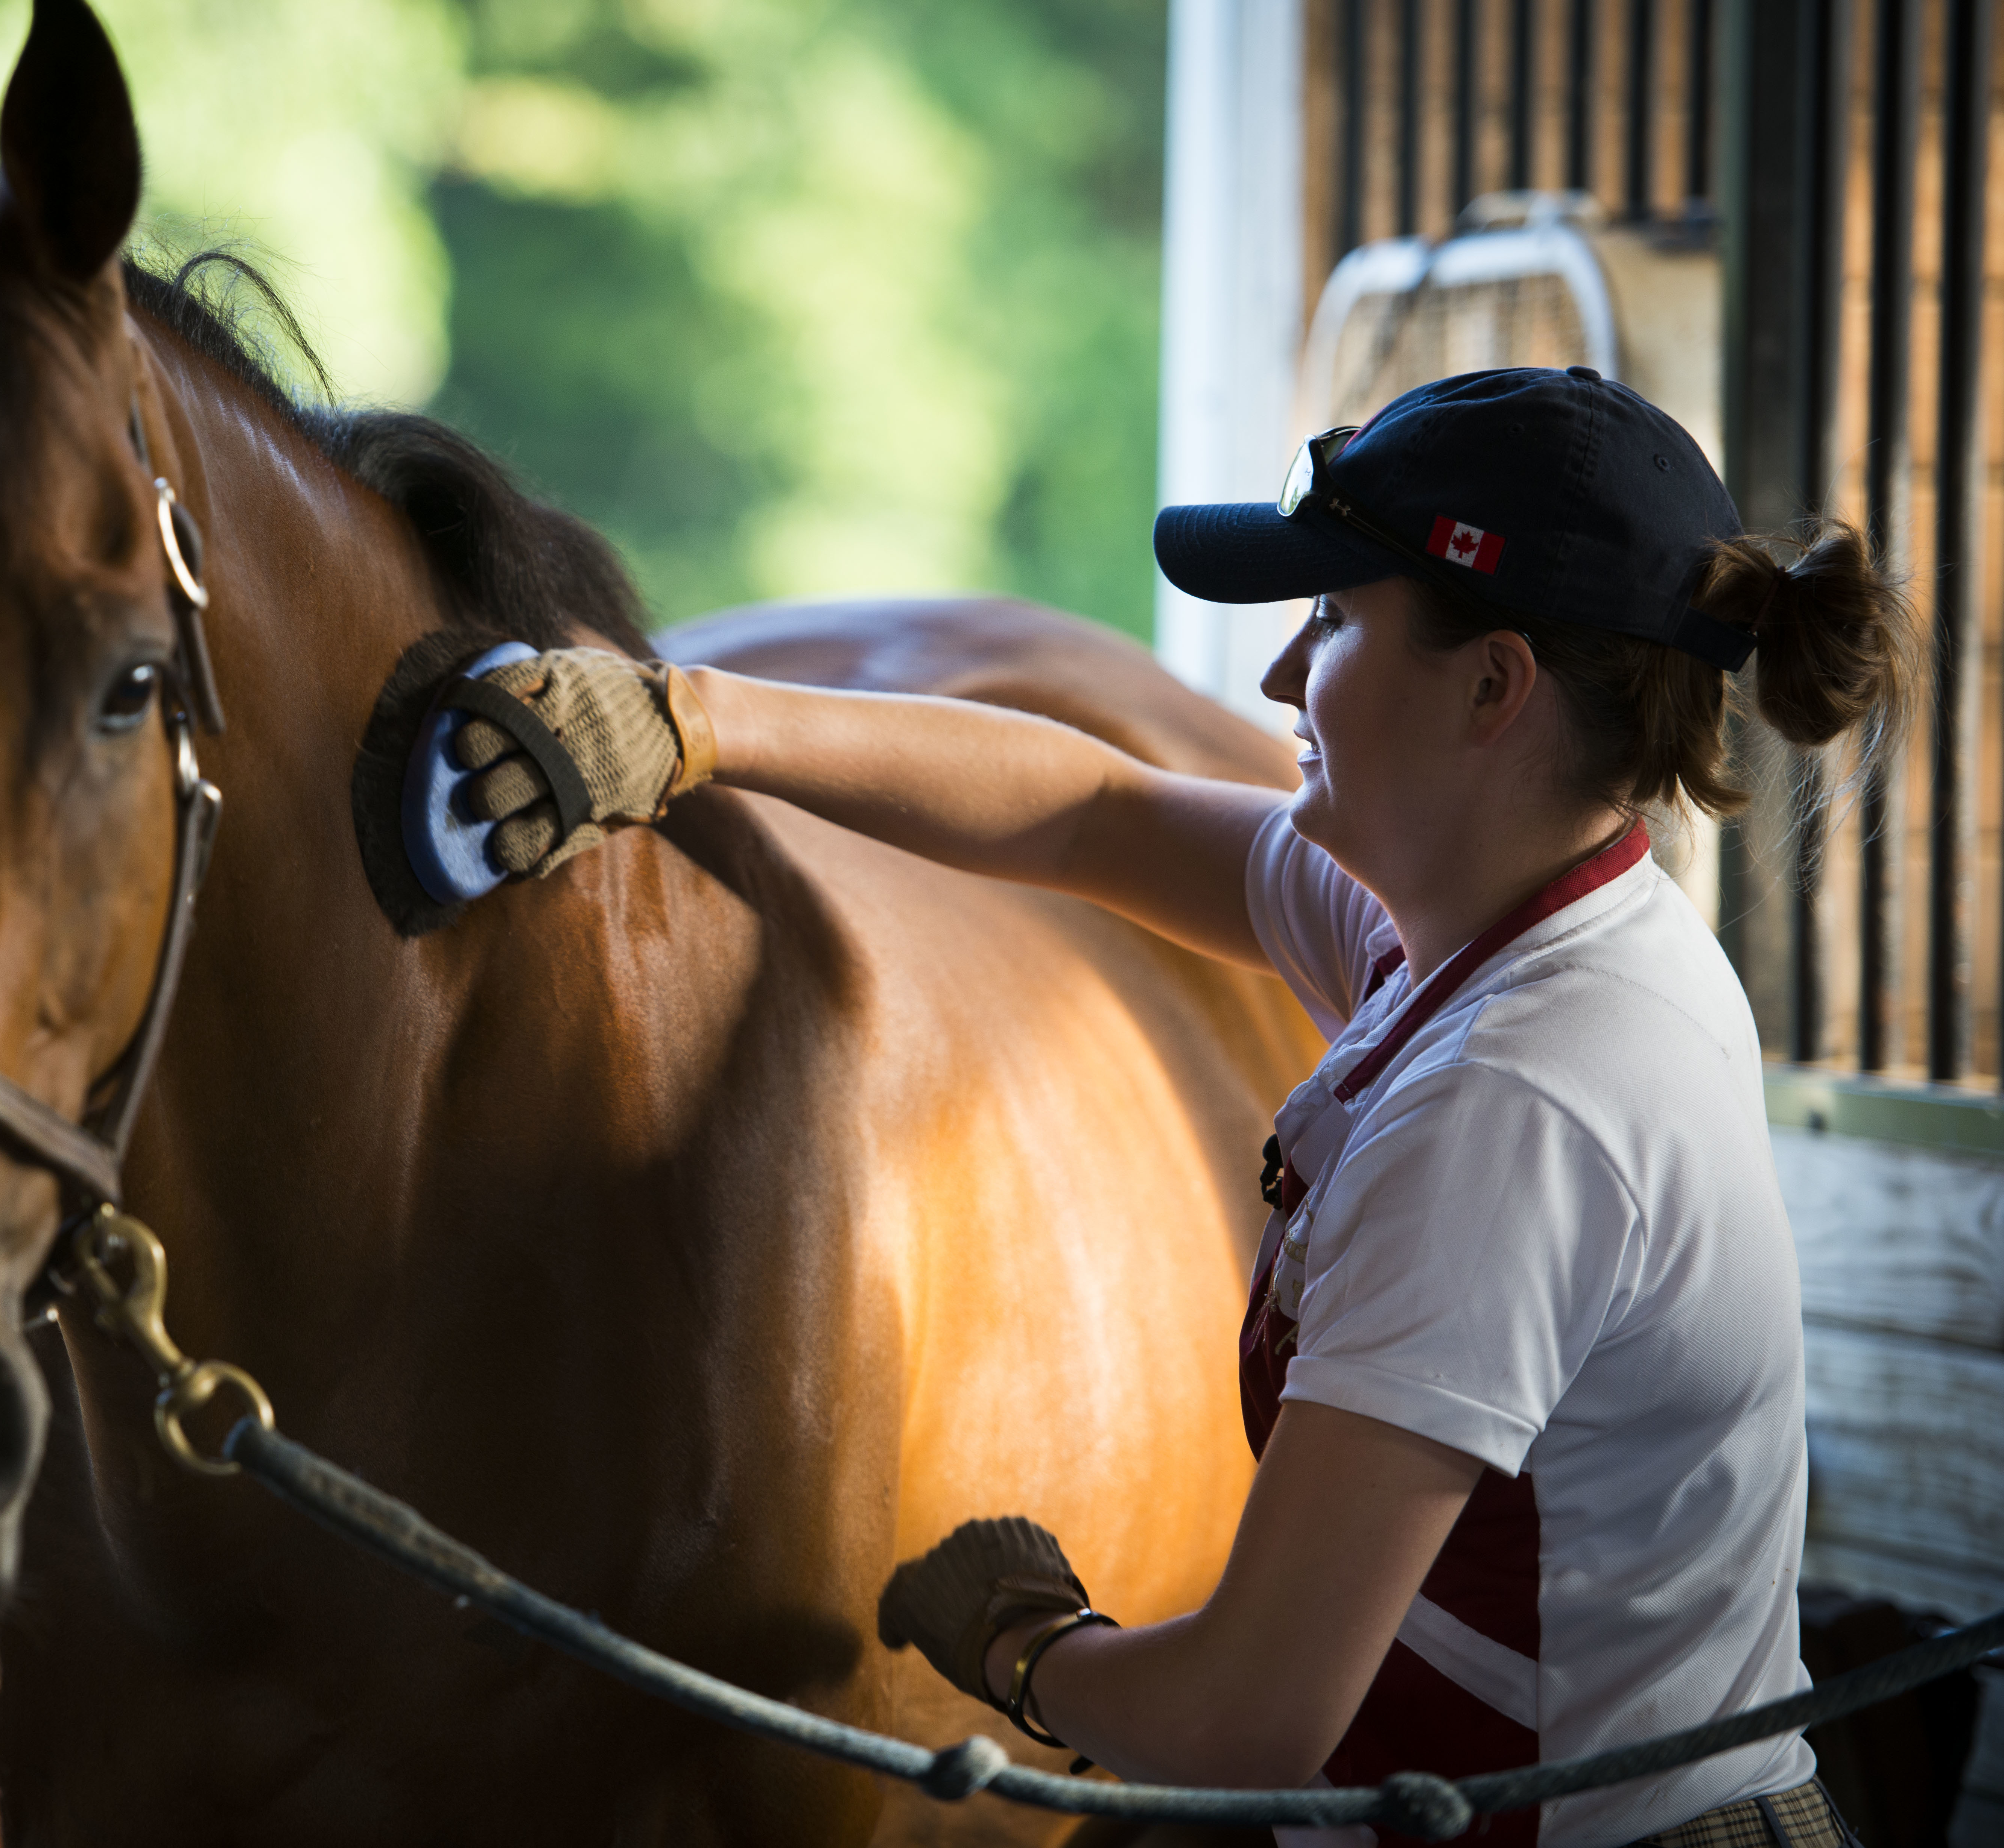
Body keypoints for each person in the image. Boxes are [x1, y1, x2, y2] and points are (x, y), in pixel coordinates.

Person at [439, 367, 1912, 1846]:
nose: (1280, 678)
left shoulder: (1511, 1106)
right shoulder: (1508, 926)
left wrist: (1021, 1642)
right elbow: (1098, 810)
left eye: (1333, 619)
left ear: (1493, 684)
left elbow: (1243, 1718)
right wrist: (687, 718)